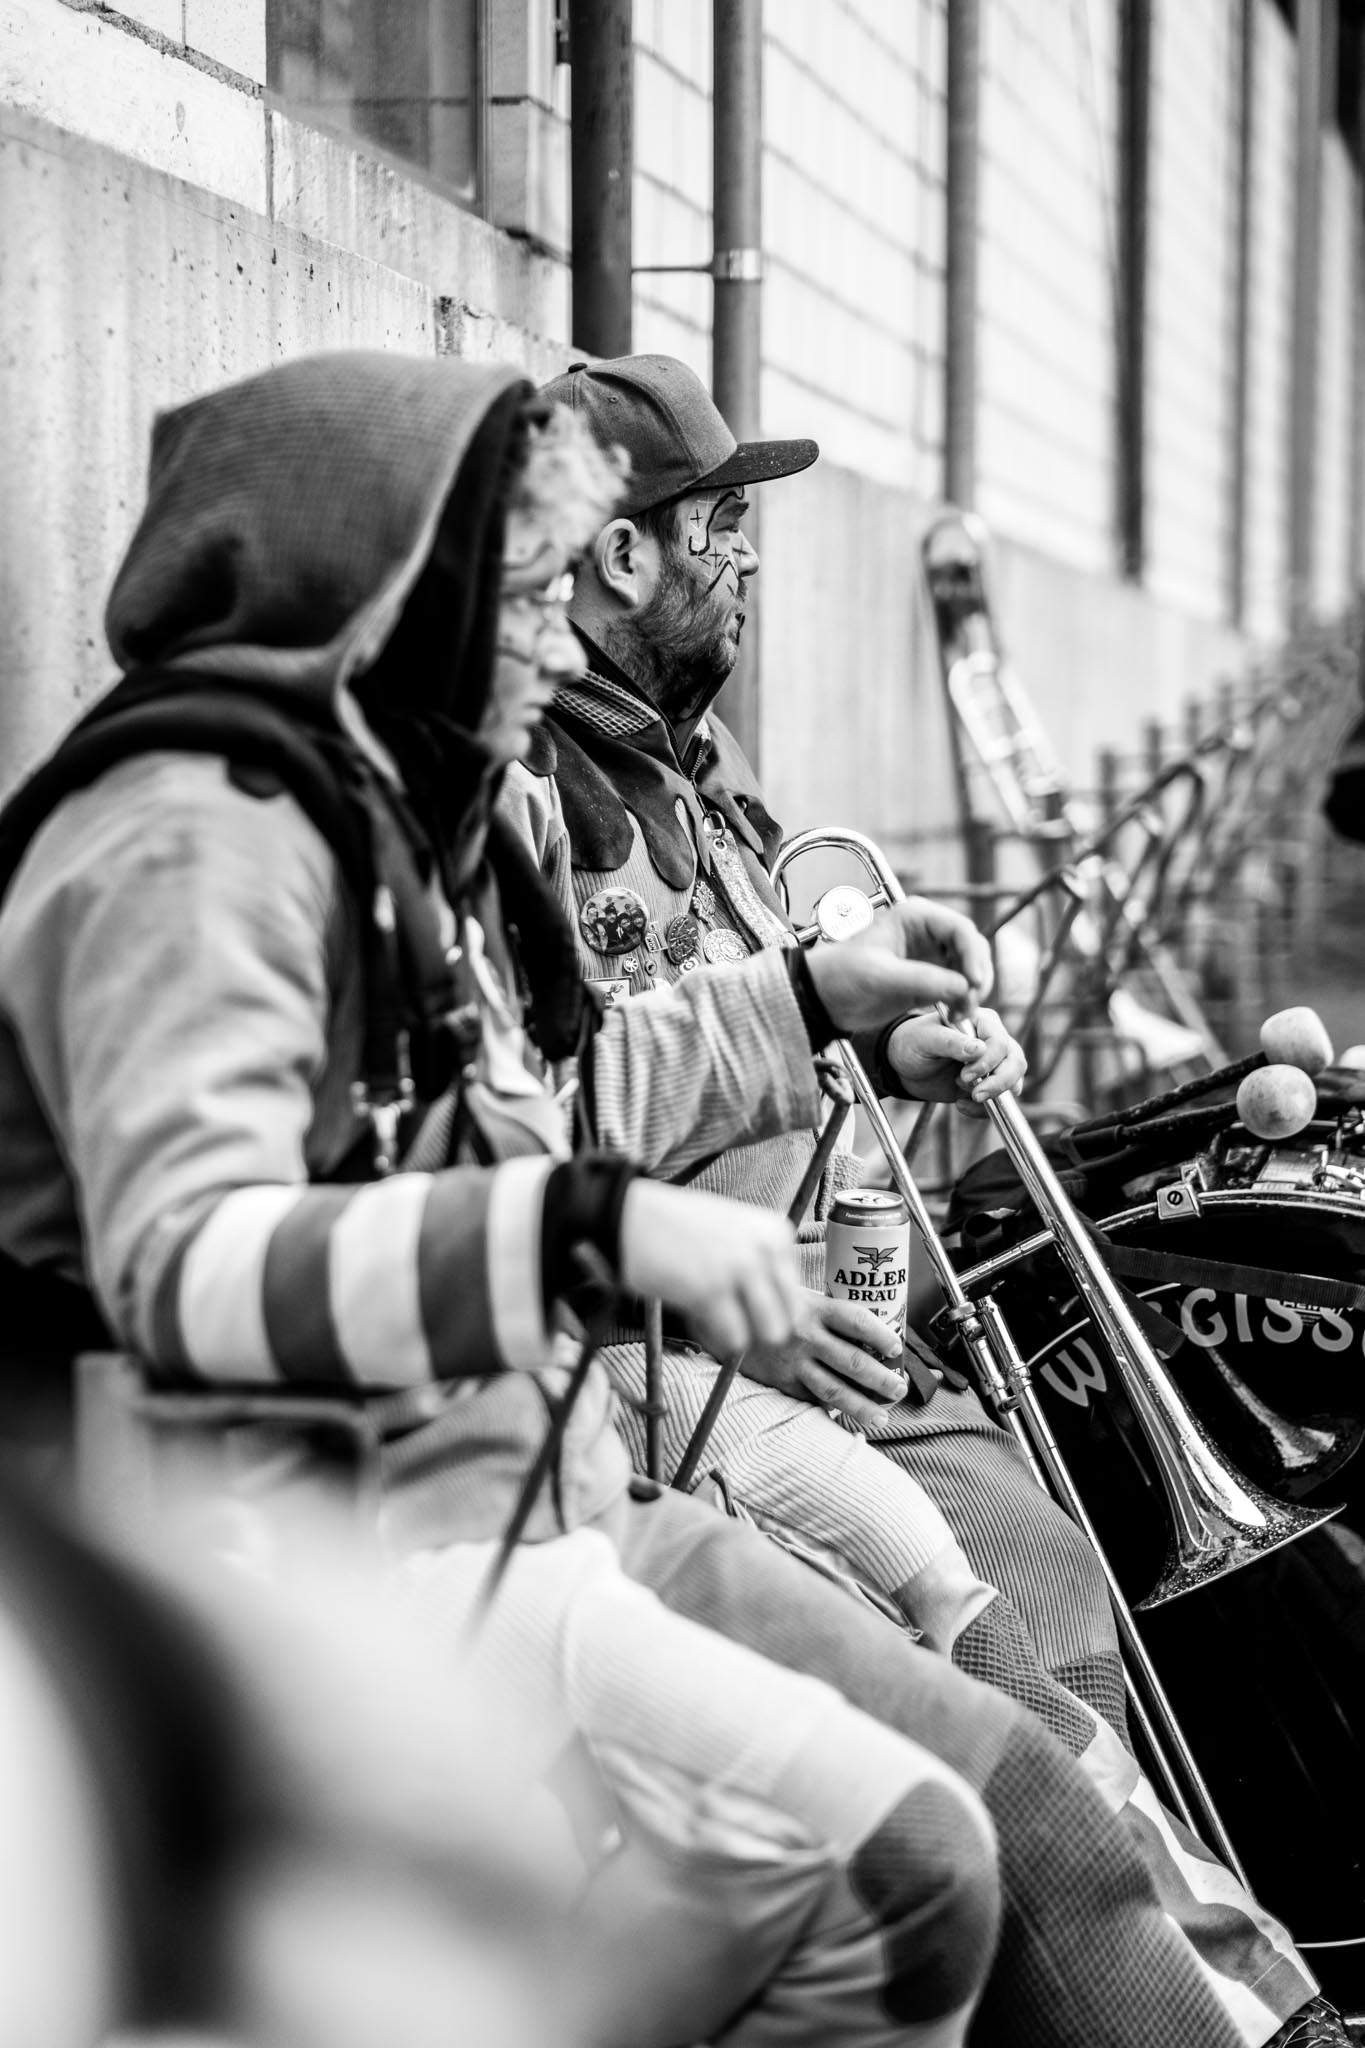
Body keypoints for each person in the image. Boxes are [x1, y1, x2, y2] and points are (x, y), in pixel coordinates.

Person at [0, 349, 1252, 2048]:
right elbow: (188, 1266)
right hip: (320, 1551)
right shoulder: (194, 841)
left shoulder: (380, 814)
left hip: (525, 1479)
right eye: (522, 594)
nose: (550, 642)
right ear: (389, 597)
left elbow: (536, 1113)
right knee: (905, 1861)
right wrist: (589, 1234)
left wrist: (809, 1000)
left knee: (945, 1840)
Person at [500, 349, 1346, 2048]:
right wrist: (717, 1296)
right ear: (621, 557)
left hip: (828, 1316)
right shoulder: (535, 798)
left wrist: (894, 1050)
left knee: (1060, 1562)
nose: (749, 555)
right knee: (1003, 1612)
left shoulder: (700, 770)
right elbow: (537, 1139)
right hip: (688, 1361)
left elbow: (755, 1033)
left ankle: (1203, 1972)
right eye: (720, 525)